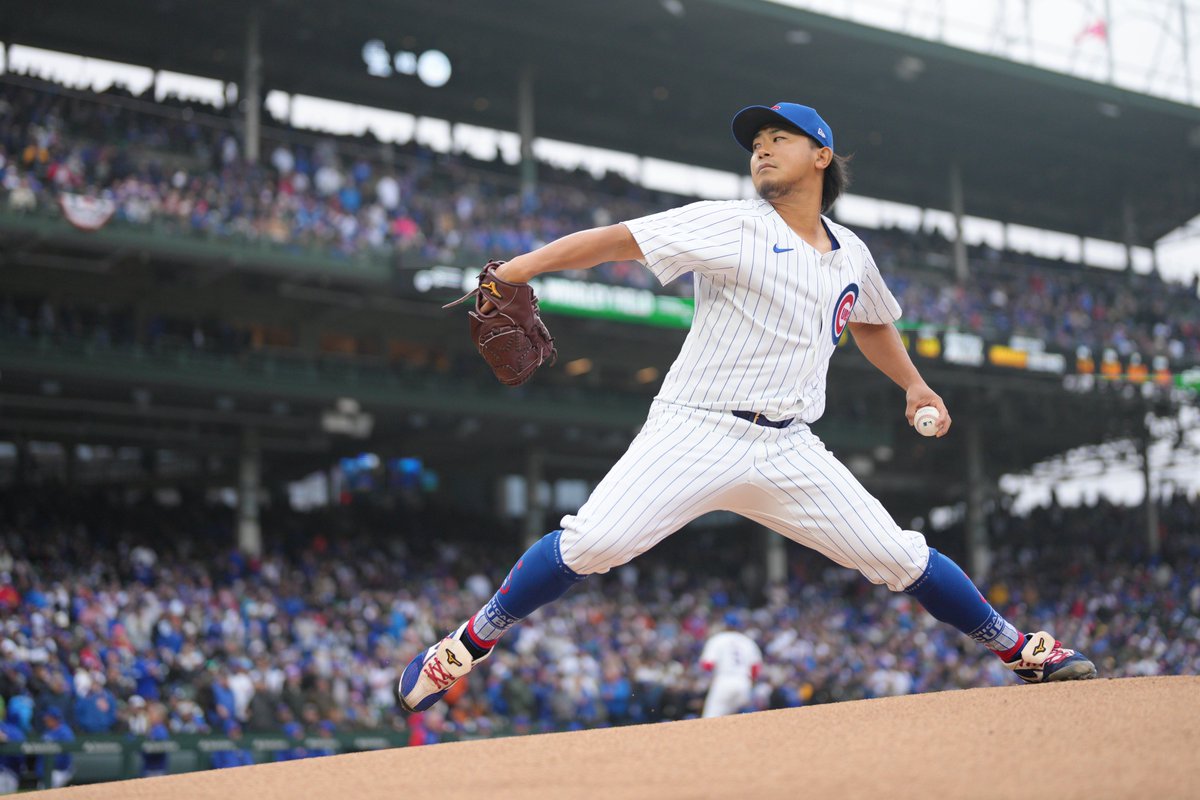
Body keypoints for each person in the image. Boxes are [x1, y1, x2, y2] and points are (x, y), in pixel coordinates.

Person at [397, 101, 1095, 715]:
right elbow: (619, 241)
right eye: (756, 140)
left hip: (791, 447)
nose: (761, 146)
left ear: (821, 156)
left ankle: (1020, 651)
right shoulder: (729, 225)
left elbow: (872, 321)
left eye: (779, 137)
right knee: (593, 544)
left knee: (898, 555)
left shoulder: (852, 250)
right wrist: (517, 270)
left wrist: (913, 384)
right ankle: (465, 644)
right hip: (695, 428)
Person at [699, 625, 763, 718]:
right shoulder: (747, 641)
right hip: (744, 683)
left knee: (710, 718)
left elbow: (707, 665)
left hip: (724, 681)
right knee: (739, 720)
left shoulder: (718, 638)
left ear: (725, 626)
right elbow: (756, 668)